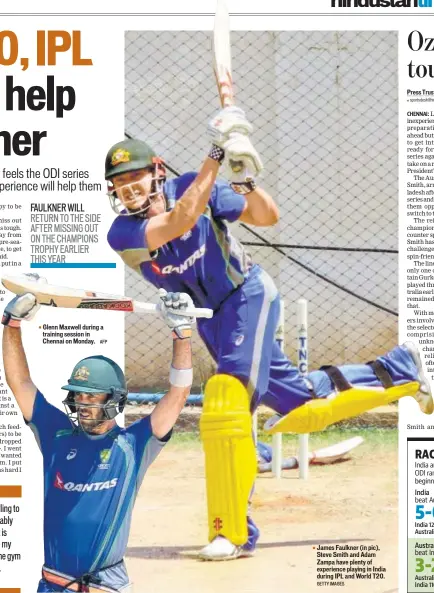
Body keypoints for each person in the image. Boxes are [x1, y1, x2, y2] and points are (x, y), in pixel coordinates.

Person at [105, 106, 433, 561]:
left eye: (135, 177)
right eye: (120, 183)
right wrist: (218, 151)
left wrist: (244, 176)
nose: (129, 188)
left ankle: (233, 532)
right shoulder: (123, 232)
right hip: (210, 319)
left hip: (247, 298)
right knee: (304, 405)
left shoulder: (192, 188)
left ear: (157, 171)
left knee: (224, 397)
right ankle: (400, 370)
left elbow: (267, 215)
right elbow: (180, 220)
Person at [2, 275, 196, 592]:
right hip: (52, 585)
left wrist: (181, 334)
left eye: (92, 397)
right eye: (79, 396)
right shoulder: (56, 436)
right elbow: (20, 383)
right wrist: (10, 326)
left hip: (107, 586)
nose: (83, 404)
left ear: (113, 399)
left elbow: (178, 393)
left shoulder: (134, 445)